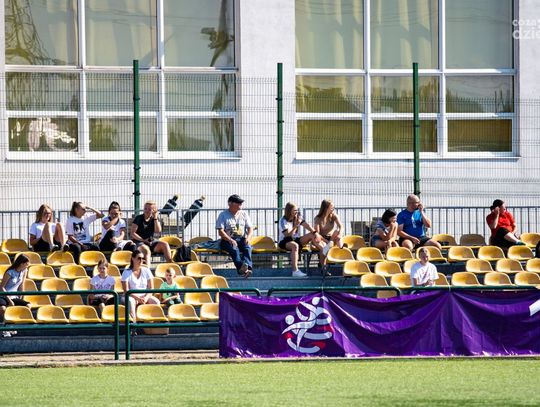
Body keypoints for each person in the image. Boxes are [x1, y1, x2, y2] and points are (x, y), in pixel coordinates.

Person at [278, 202, 324, 277]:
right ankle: (295, 271)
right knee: (295, 245)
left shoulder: (298, 216)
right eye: (295, 210)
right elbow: (287, 235)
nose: (297, 212)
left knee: (312, 235)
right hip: (285, 241)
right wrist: (296, 226)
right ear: (289, 211)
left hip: (295, 239)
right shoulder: (282, 220)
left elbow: (307, 226)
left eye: (297, 210)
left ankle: (323, 249)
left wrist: (316, 233)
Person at [216, 194, 253, 278]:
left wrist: (248, 238)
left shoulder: (244, 214)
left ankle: (247, 268)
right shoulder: (223, 215)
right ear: (230, 203)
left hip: (241, 239)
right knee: (234, 249)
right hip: (227, 240)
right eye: (238, 202)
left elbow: (250, 228)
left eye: (241, 202)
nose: (240, 204)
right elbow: (221, 232)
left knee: (248, 248)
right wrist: (230, 240)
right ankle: (243, 269)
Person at [130, 200, 173, 266]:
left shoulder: (155, 219)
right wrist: (143, 240)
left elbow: (158, 231)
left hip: (151, 242)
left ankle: (170, 265)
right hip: (139, 242)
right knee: (147, 251)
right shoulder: (138, 218)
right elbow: (133, 233)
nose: (147, 211)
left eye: (149, 209)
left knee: (165, 244)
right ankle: (148, 270)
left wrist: (155, 218)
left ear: (154, 210)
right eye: (145, 208)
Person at [121, 249, 160, 320]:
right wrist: (137, 298)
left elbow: (151, 288)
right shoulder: (126, 272)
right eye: (139, 258)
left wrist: (146, 298)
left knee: (156, 302)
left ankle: (155, 324)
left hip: (144, 296)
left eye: (143, 258)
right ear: (133, 258)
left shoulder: (146, 270)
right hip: (131, 296)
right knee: (131, 302)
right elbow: (126, 290)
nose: (141, 260)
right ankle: (133, 325)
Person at [0, 254, 30, 337]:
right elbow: (2, 287)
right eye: (26, 264)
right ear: (21, 264)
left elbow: (21, 285)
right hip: (3, 295)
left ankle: (11, 325)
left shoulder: (24, 271)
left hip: (14, 296)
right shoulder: (10, 272)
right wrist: (9, 300)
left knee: (28, 305)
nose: (27, 266)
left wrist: (21, 297)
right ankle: (4, 327)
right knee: (3, 308)